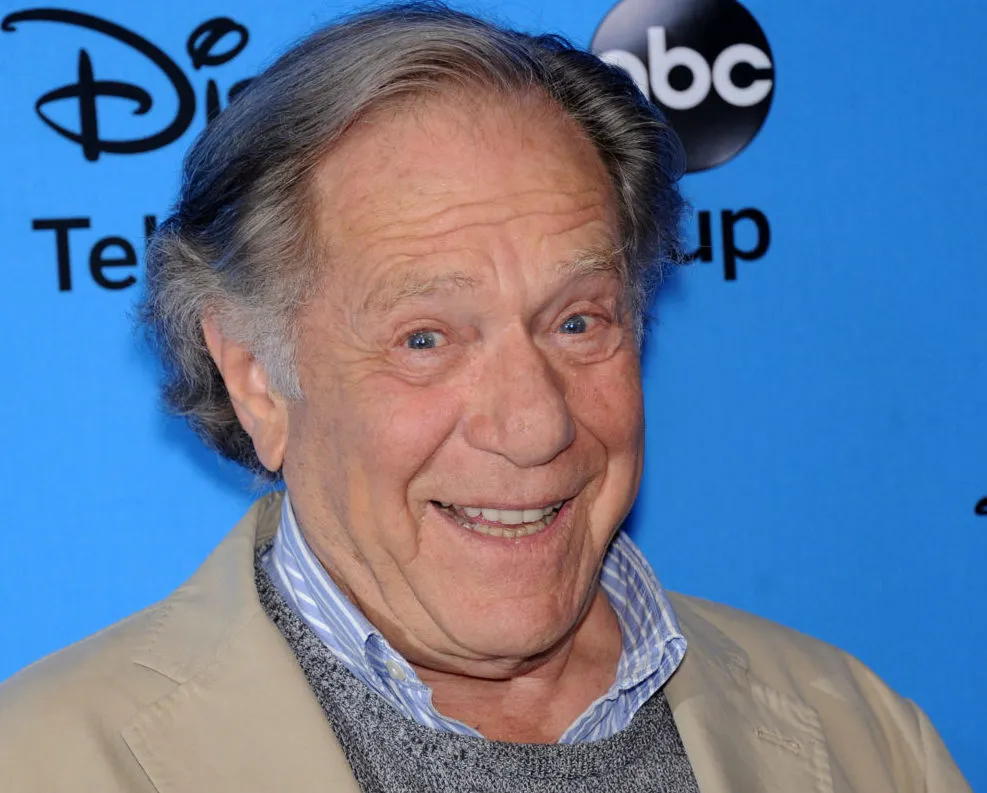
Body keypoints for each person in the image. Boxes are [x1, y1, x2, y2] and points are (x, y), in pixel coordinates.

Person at [0, 4, 970, 791]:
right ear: (257, 377)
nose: (535, 423)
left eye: (577, 322)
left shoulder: (864, 738)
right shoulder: (43, 763)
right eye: (426, 339)